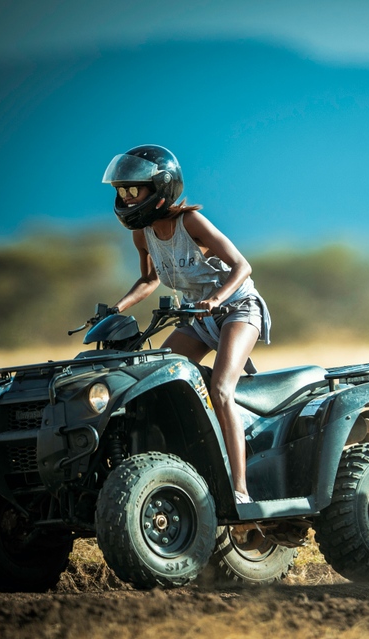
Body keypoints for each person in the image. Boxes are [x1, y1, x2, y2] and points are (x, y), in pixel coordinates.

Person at [102, 144, 270, 505]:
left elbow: (242, 266)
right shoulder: (141, 233)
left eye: (134, 190)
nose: (126, 198)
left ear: (161, 189)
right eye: (122, 191)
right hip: (196, 317)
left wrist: (217, 299)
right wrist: (116, 308)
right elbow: (148, 280)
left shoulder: (189, 222)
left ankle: (240, 491)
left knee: (222, 390)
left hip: (238, 309)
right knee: (153, 381)